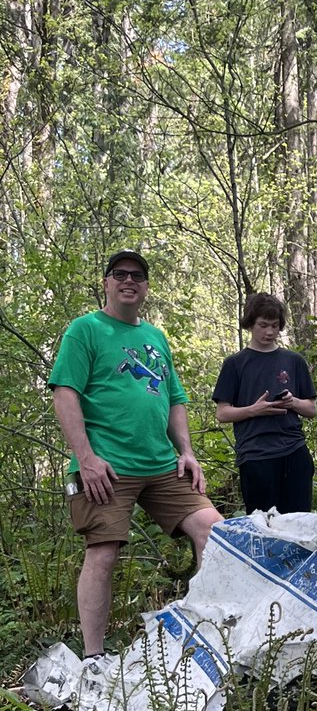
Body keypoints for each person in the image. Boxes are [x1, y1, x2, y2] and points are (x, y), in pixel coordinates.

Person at [49, 251, 222, 659]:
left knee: (216, 534)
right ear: (106, 283)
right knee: (103, 551)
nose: (129, 280)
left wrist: (187, 451)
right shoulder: (86, 330)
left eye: (138, 275)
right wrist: (86, 458)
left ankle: (211, 639)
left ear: (146, 287)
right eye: (120, 274)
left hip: (161, 463)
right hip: (107, 466)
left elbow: (174, 398)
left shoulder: (155, 337)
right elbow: (65, 393)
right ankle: (94, 658)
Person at [213, 292, 317, 514]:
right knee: (263, 524)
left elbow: (311, 409)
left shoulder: (294, 361)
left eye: (275, 325)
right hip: (255, 455)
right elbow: (222, 413)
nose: (269, 332)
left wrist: (292, 402)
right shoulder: (235, 364)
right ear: (250, 324)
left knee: (300, 522)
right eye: (263, 325)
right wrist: (254, 410)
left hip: (294, 451)